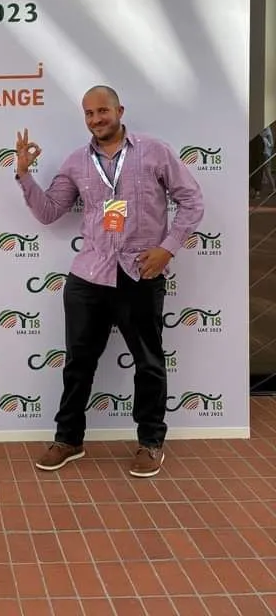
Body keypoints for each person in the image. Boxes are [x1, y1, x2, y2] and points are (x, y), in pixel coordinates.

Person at [15, 86, 204, 478]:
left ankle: (150, 443)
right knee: (78, 364)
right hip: (89, 278)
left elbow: (192, 201)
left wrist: (167, 248)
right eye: (89, 113)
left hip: (141, 274)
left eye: (102, 110)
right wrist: (24, 174)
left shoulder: (154, 151)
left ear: (119, 110)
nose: (96, 119)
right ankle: (68, 439)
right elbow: (50, 212)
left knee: (149, 363)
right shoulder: (76, 163)